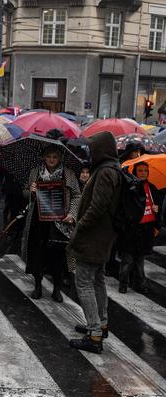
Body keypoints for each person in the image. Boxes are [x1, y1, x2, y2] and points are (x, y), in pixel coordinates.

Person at [68, 132, 122, 354]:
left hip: (94, 236)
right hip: (101, 236)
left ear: (102, 149)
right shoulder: (109, 168)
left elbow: (97, 207)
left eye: (93, 149)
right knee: (97, 280)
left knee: (84, 282)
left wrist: (80, 227)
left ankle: (94, 334)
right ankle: (100, 324)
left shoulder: (106, 172)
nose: (90, 153)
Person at [21, 145, 81, 302]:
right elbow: (25, 192)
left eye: (55, 157)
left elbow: (76, 195)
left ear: (60, 158)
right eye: (49, 157)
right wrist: (31, 191)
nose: (52, 160)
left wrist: (72, 214)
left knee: (58, 256)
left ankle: (57, 289)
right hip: (38, 221)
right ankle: (38, 286)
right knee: (38, 254)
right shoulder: (35, 172)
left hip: (60, 222)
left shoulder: (68, 174)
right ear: (43, 157)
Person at [116, 162, 162, 293]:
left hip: (146, 229)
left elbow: (158, 206)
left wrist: (156, 213)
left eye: (145, 171)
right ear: (135, 172)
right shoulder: (131, 188)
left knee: (140, 260)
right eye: (140, 171)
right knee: (127, 259)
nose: (143, 173)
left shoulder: (152, 188)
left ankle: (140, 284)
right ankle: (123, 283)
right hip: (132, 229)